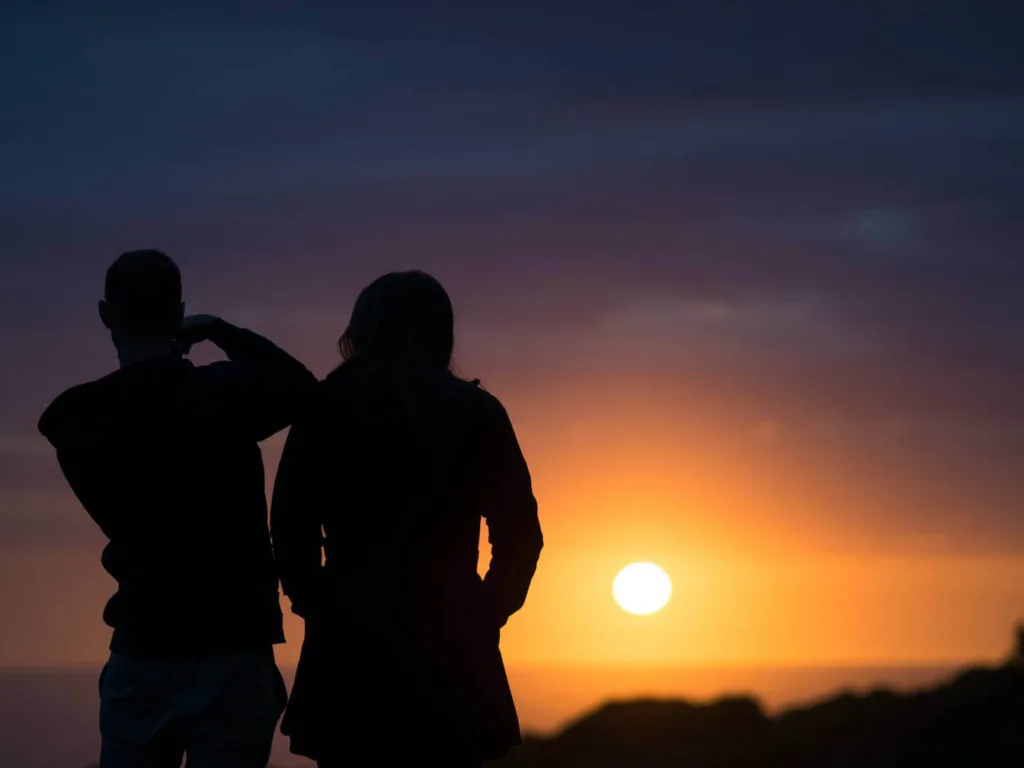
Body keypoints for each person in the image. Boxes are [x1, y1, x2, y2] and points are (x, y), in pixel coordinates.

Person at [37, 249, 316, 768]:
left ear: (105, 314)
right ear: (178, 311)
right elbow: (304, 391)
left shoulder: (77, 419)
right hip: (234, 648)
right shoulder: (227, 394)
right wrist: (217, 330)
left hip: (142, 647)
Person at [270, 271, 543, 767]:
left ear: (362, 330)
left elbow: (290, 528)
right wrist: (484, 614)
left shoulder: (324, 408)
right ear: (442, 331)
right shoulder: (477, 412)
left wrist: (320, 607)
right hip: (453, 653)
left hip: (348, 653)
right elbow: (522, 537)